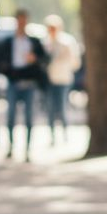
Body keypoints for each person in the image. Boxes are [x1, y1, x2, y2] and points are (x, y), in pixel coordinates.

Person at [0, 8, 46, 161]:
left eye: (24, 20)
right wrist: (9, 72)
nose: (22, 23)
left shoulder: (34, 41)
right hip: (13, 82)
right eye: (20, 20)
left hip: (29, 83)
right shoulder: (8, 42)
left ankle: (27, 150)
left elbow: (44, 59)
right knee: (10, 117)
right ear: (16, 21)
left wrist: (35, 59)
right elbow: (0, 62)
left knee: (29, 118)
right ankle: (10, 147)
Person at [42, 15, 80, 143]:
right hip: (49, 79)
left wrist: (60, 63)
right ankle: (52, 136)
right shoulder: (45, 42)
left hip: (63, 79)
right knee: (50, 108)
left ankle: (64, 135)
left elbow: (75, 62)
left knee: (62, 108)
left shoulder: (67, 42)